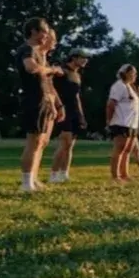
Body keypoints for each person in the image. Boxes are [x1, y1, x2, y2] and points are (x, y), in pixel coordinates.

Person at [15, 17, 63, 193]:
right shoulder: (27, 49)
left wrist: (54, 103)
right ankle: (26, 183)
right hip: (33, 100)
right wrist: (52, 70)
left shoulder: (35, 51)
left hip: (42, 100)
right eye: (44, 32)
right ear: (34, 31)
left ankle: (32, 180)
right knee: (33, 142)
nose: (46, 36)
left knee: (39, 142)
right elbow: (31, 68)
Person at [49, 48, 89, 183]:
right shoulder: (62, 71)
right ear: (74, 57)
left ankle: (64, 173)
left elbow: (76, 96)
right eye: (83, 57)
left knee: (70, 145)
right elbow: (50, 86)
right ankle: (53, 174)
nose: (85, 60)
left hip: (74, 112)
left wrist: (81, 115)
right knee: (64, 142)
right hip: (63, 110)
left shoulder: (77, 75)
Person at [106, 64, 139, 184]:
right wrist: (109, 120)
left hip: (132, 123)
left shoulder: (129, 86)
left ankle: (125, 174)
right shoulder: (119, 86)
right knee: (119, 149)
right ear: (126, 73)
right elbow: (111, 104)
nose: (135, 75)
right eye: (133, 73)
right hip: (121, 122)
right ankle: (116, 176)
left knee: (127, 150)